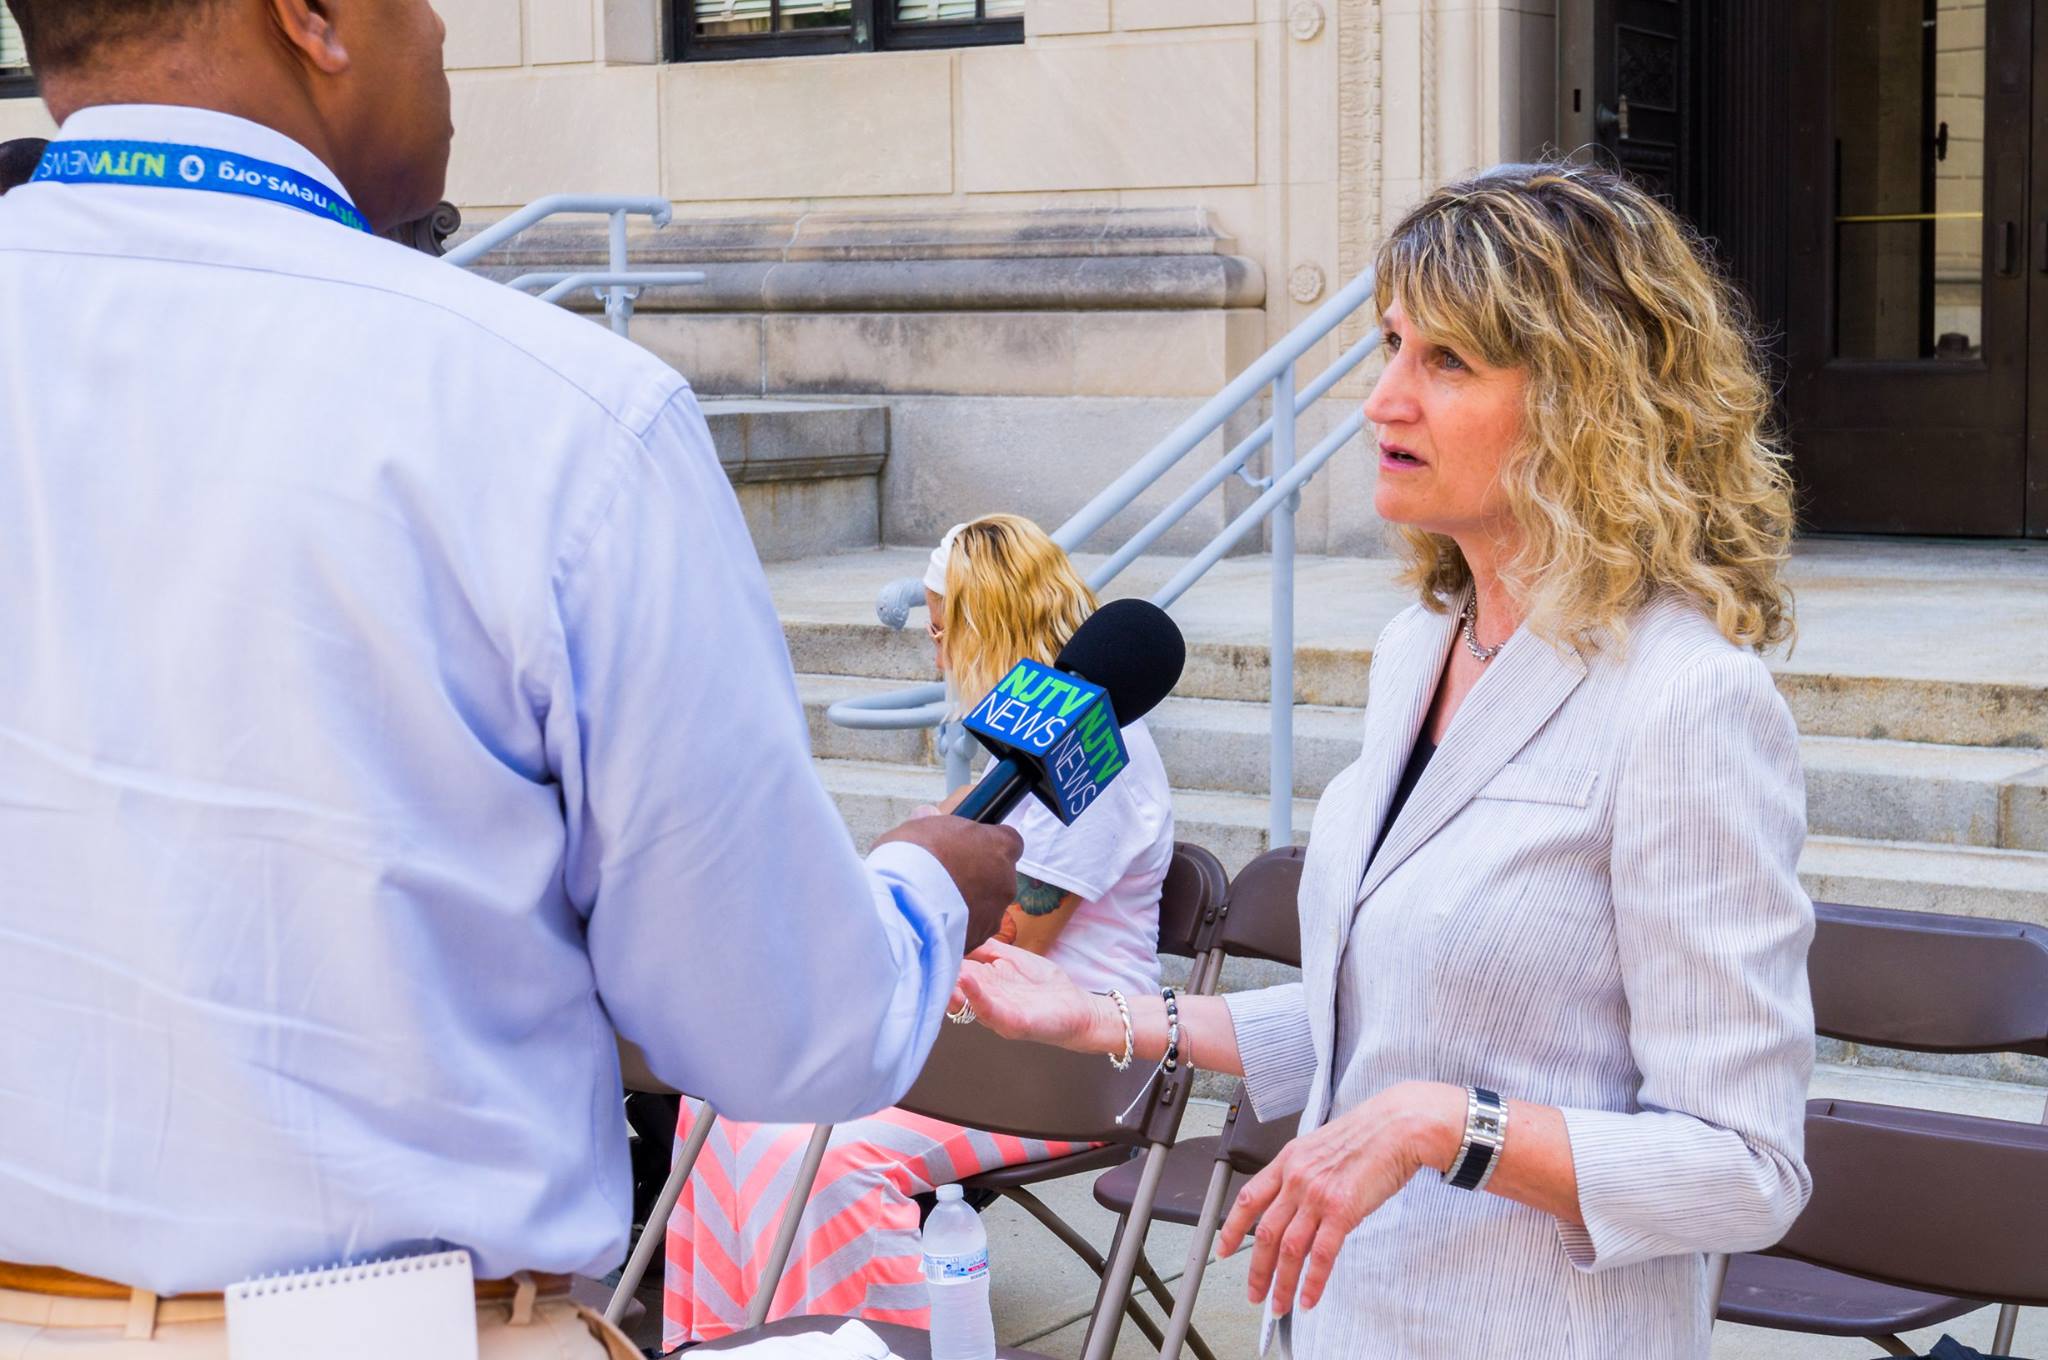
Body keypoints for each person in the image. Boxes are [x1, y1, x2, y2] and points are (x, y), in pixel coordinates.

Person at [0, 1, 1021, 1355]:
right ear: (312, 17)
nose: (438, 36)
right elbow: (781, 1026)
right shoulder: (555, 417)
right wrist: (923, 895)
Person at [958, 161, 1815, 1360]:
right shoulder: (1418, 650)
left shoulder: (1685, 704)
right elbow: (1381, 1019)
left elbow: (1745, 1166)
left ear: (1588, 404)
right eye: (1391, 346)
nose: (1380, 401)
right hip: (1332, 1323)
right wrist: (1095, 1013)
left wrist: (1435, 1127)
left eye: (1446, 361)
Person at [662, 514, 1176, 1347]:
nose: (937, 658)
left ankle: (865, 1344)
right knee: (721, 1101)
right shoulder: (1028, 742)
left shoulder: (1094, 748)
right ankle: (746, 1345)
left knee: (818, 1158)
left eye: (944, 633)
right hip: (972, 1026)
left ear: (989, 623)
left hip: (1064, 1053)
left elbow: (1010, 933)